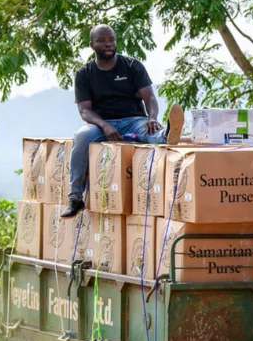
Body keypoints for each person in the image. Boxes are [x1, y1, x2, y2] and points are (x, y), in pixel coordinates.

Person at [61, 24, 185, 218]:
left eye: (111, 39)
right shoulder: (84, 74)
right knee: (81, 136)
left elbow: (149, 97)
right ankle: (75, 198)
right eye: (102, 41)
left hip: (134, 119)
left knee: (150, 132)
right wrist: (104, 125)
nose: (108, 44)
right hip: (101, 123)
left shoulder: (132, 66)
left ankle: (168, 134)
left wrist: (152, 117)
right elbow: (84, 110)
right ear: (91, 45)